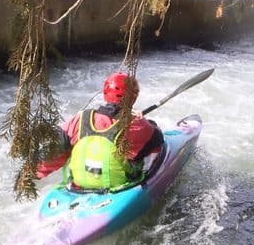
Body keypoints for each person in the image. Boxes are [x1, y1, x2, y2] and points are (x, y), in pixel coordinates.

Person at [36, 72, 164, 191]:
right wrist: (145, 121)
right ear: (133, 98)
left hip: (79, 185)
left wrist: (34, 172)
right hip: (118, 187)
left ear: (105, 93)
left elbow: (52, 153)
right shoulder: (137, 125)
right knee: (150, 153)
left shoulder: (79, 119)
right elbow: (158, 139)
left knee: (69, 150)